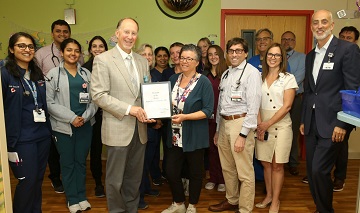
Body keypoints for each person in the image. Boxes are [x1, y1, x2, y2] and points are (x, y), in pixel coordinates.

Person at [91, 18, 153, 213]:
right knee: (115, 180)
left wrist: (153, 110)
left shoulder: (142, 61)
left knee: (134, 179)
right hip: (118, 128)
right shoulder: (103, 59)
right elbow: (99, 95)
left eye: (133, 33)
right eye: (126, 32)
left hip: (140, 130)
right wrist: (130, 109)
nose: (130, 36)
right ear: (117, 33)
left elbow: (147, 92)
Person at [300, 10, 360, 213]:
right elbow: (309, 91)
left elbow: (353, 89)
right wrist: (303, 119)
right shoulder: (310, 56)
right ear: (311, 27)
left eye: (324, 22)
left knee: (319, 170)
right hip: (312, 121)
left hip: (334, 123)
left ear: (332, 25)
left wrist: (344, 124)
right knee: (312, 170)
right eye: (315, 23)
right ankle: (321, 208)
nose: (319, 26)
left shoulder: (347, 49)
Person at [208, 37, 262, 213]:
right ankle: (232, 200)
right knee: (228, 167)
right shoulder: (226, 73)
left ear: (246, 53)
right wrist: (217, 130)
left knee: (244, 171)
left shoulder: (252, 73)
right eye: (231, 51)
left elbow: (254, 107)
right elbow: (221, 104)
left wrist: (244, 135)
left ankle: (245, 208)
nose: (234, 54)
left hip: (241, 123)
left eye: (238, 50)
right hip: (224, 123)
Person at [2, 32, 52, 213]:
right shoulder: (5, 74)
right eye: (21, 46)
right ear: (11, 49)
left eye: (30, 46)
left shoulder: (36, 74)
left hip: (42, 136)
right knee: (27, 181)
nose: (27, 50)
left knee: (38, 180)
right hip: (21, 139)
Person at [46, 38, 97, 213]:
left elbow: (94, 100)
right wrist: (72, 118)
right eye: (69, 50)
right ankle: (72, 199)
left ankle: (81, 196)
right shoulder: (53, 74)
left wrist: (84, 116)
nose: (73, 53)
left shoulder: (86, 75)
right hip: (63, 127)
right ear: (62, 52)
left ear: (80, 54)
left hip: (85, 125)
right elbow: (49, 103)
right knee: (68, 163)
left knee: (81, 162)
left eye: (76, 51)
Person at [161, 44, 214, 213]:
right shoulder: (173, 79)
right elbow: (165, 104)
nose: (184, 61)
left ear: (197, 62)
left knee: (195, 173)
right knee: (170, 171)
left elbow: (207, 111)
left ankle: (192, 205)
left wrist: (185, 117)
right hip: (175, 134)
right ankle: (178, 203)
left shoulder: (204, 81)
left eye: (189, 58)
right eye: (182, 57)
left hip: (194, 134)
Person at [35, 19, 84, 193]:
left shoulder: (78, 56)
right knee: (54, 148)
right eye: (58, 31)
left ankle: (73, 184)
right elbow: (36, 79)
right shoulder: (41, 54)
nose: (62, 34)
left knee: (74, 154)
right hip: (50, 106)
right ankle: (56, 178)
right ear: (52, 33)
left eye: (65, 31)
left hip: (74, 108)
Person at [255, 43, 298, 213]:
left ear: (282, 58)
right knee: (265, 163)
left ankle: (276, 201)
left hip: (281, 125)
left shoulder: (288, 78)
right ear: (266, 57)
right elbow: (255, 103)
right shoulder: (258, 77)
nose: (273, 58)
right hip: (262, 124)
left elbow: (287, 107)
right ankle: (269, 196)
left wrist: (267, 124)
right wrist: (260, 125)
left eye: (277, 55)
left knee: (277, 165)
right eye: (270, 54)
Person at [330, 26, 360, 192]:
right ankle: (323, 173)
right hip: (330, 106)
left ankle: (340, 177)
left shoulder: (355, 55)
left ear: (355, 41)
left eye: (349, 37)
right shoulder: (333, 55)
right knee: (328, 142)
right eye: (342, 37)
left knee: (341, 143)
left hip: (347, 108)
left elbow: (353, 85)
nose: (344, 40)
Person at [82, 35, 108, 198]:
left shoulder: (111, 65)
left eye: (101, 46)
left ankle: (114, 181)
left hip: (111, 114)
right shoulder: (84, 69)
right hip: (93, 116)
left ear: (106, 49)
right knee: (96, 150)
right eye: (94, 46)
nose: (98, 49)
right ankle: (98, 182)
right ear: (90, 49)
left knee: (114, 150)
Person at [136, 43, 161, 210]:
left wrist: (158, 119)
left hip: (153, 125)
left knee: (148, 159)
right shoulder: (136, 74)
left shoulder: (153, 75)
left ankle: (145, 188)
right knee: (139, 163)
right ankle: (138, 196)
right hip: (139, 124)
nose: (148, 57)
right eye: (144, 54)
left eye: (150, 54)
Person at [280, 31, 306, 176]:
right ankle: (279, 162)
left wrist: (280, 89)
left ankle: (293, 162)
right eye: (284, 39)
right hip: (277, 101)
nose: (287, 42)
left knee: (293, 131)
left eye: (290, 40)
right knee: (277, 130)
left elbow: (297, 79)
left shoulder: (302, 58)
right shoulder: (276, 56)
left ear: (294, 42)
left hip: (295, 99)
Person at [202, 45, 226, 192]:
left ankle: (222, 179)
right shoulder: (204, 76)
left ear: (221, 55)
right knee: (211, 149)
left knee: (222, 150)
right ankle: (213, 177)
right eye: (210, 54)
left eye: (216, 54)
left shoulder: (227, 74)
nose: (213, 57)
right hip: (208, 119)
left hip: (223, 118)